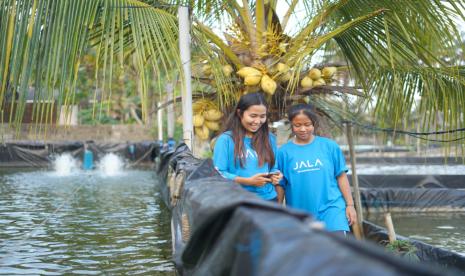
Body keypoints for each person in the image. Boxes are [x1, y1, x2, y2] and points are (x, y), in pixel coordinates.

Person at [277, 104, 357, 234]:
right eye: (297, 125)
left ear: (314, 123)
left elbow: (341, 176)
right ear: (291, 125)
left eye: (307, 124)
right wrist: (277, 211)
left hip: (332, 210)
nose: (303, 129)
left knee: (336, 252)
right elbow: (280, 184)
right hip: (300, 215)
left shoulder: (330, 146)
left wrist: (350, 205)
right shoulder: (283, 153)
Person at [213, 92, 282, 201]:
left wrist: (276, 175)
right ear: (240, 113)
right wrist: (247, 181)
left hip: (268, 199)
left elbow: (273, 167)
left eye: (262, 116)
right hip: (239, 201)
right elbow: (219, 173)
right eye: (253, 116)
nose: (258, 121)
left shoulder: (270, 138)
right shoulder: (225, 140)